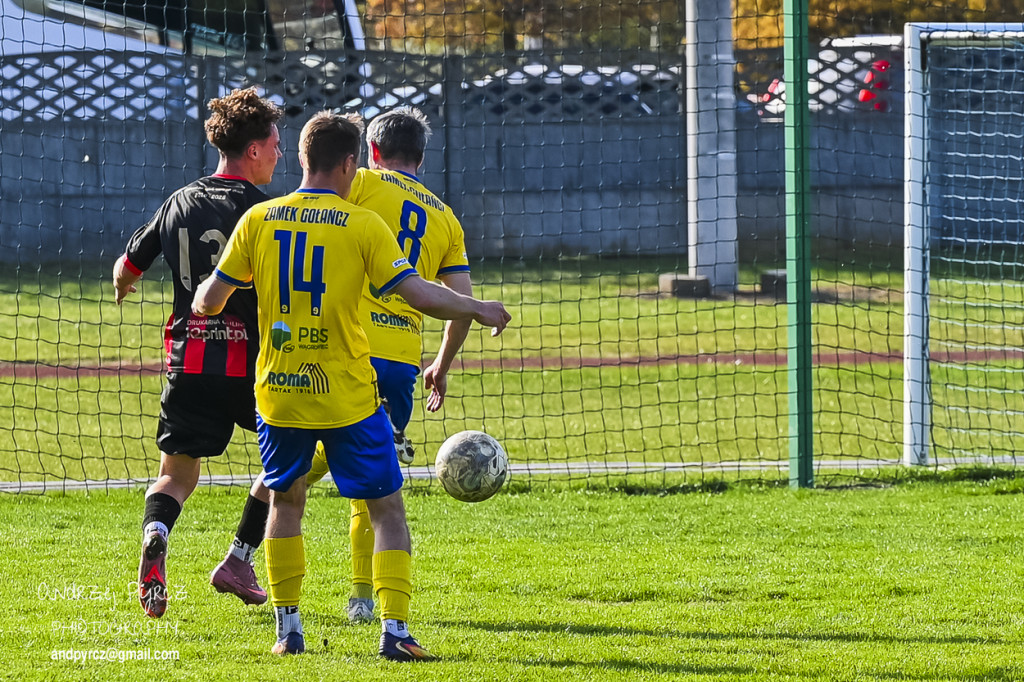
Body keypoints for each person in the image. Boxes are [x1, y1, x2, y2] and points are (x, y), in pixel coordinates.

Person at [191, 110, 510, 659]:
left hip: (280, 391)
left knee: (286, 501)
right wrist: (477, 308)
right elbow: (420, 294)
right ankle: (394, 632)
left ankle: (287, 632)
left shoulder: (260, 219)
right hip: (347, 389)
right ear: (348, 163)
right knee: (385, 505)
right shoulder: (363, 225)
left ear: (298, 158)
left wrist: (216, 294)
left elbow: (208, 301)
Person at [112, 87, 283, 619]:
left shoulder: (178, 201)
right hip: (255, 366)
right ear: (252, 149)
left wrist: (123, 286)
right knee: (290, 467)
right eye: (275, 143)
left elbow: (125, 268)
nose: (280, 151)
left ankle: (158, 533)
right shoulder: (268, 212)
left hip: (188, 358)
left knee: (177, 475)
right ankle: (239, 556)